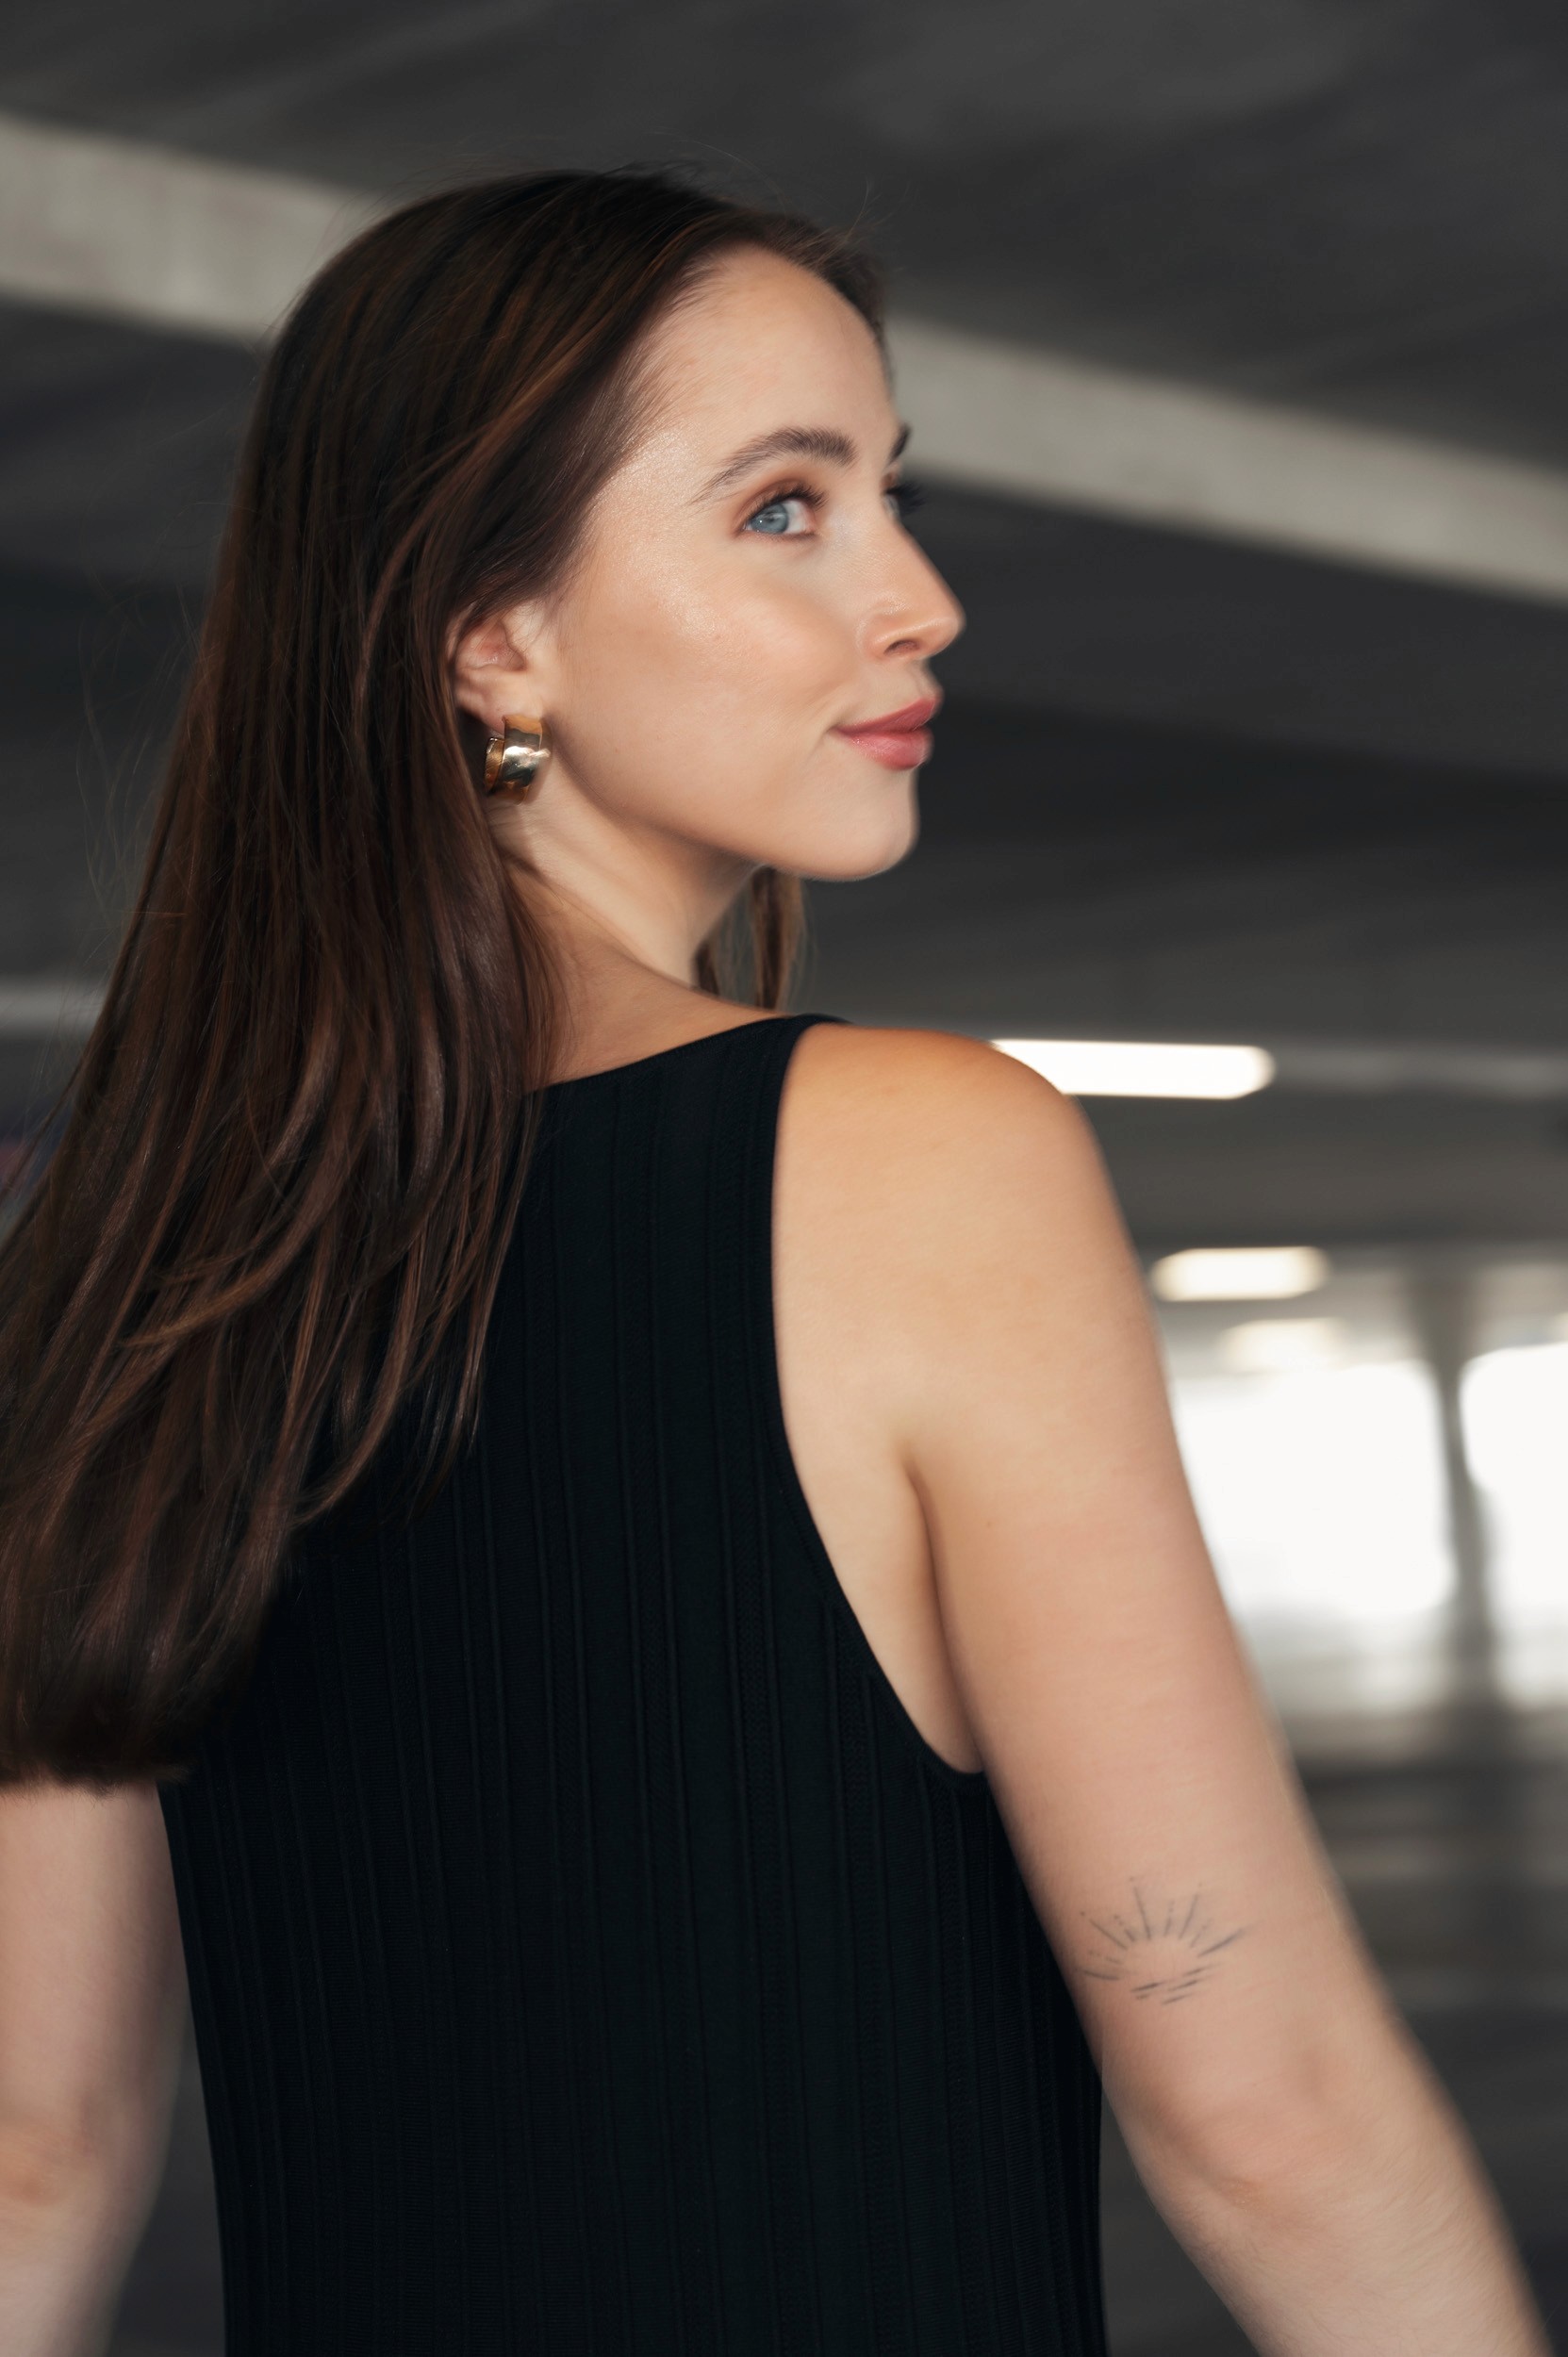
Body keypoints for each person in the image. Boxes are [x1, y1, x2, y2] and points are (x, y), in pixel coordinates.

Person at [0, 169, 1548, 2357]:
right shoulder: (916, 1159)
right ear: (491, 632)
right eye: (785, 510)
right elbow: (1264, 2107)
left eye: (886, 495)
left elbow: (32, 2147)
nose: (918, 599)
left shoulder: (111, 1257)